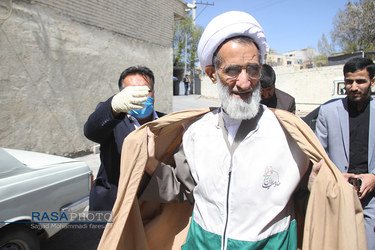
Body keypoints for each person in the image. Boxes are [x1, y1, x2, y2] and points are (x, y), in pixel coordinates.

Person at [98, 11, 366, 250]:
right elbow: (185, 190)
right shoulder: (195, 132)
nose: (244, 81)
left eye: (253, 69)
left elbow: (308, 204)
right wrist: (151, 162)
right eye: (233, 70)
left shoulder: (289, 132)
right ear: (212, 74)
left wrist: (319, 186)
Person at [84, 65, 164, 211]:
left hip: (149, 207)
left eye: (146, 91)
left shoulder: (165, 122)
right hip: (111, 206)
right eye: (132, 92)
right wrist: (113, 107)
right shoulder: (111, 119)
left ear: (154, 92)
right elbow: (91, 131)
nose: (140, 96)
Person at [315, 57, 375, 250]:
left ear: (372, 82)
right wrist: (335, 177)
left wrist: (373, 177)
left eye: (360, 81)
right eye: (349, 82)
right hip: (338, 193)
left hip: (372, 197)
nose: (354, 87)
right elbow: (317, 155)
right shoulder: (328, 112)